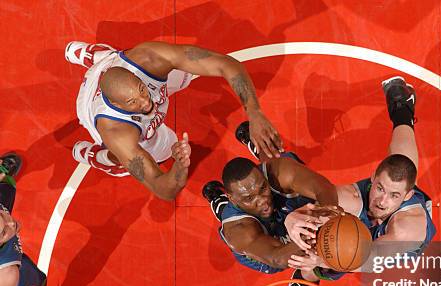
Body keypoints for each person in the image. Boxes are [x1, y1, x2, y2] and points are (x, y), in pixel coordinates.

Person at [65, 40, 282, 200]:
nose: (145, 102)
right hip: (91, 107)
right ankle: (100, 158)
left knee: (183, 74)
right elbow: (163, 190)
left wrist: (254, 112)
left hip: (118, 71)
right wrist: (179, 166)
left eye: (142, 90)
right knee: (150, 151)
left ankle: (104, 58)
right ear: (121, 106)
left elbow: (225, 64)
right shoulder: (116, 130)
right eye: (133, 102)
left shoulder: (149, 58)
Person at [283, 77, 437, 273]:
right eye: (380, 188)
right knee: (399, 165)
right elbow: (312, 207)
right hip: (366, 206)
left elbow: (369, 260)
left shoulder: (408, 229)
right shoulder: (355, 197)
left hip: (382, 252)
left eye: (394, 196)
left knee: (323, 257)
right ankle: (402, 111)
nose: (382, 200)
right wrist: (291, 219)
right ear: (372, 178)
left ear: (408, 196)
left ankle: (305, 283)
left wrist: (321, 261)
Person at [202, 134, 341, 286]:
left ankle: (255, 144)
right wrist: (320, 231)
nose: (262, 201)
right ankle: (218, 200)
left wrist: (325, 214)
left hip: (287, 206)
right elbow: (277, 257)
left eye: (263, 189)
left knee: (280, 160)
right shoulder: (238, 230)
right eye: (250, 198)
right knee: (314, 251)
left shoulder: (277, 172)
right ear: (234, 198)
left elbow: (325, 188)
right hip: (267, 247)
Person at [0, 153, 73, 286]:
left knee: (4, 192)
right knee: (33, 285)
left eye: (2, 216)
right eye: (5, 231)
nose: (11, 222)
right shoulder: (6, 276)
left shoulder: (5, 222)